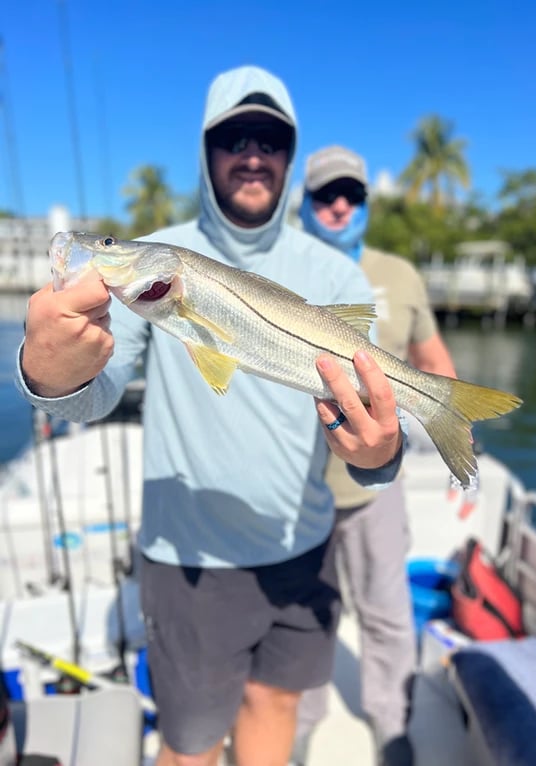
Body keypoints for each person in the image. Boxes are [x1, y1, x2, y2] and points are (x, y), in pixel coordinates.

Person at [16, 69, 406, 766]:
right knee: (191, 744)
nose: (252, 153)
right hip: (189, 559)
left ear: (290, 155)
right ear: (206, 150)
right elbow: (96, 393)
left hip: (302, 543)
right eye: (232, 136)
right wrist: (49, 375)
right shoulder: (159, 260)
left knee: (275, 706)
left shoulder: (335, 275)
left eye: (271, 139)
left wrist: (380, 453)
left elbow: (367, 438)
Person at [294, 146, 457, 766]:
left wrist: (452, 415)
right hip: (296, 487)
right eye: (325, 195)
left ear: (365, 203)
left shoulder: (399, 274)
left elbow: (431, 355)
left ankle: (392, 725)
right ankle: (303, 719)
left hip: (375, 488)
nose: (339, 206)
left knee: (387, 613)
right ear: (305, 205)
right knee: (308, 618)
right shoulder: (280, 267)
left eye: (351, 195)